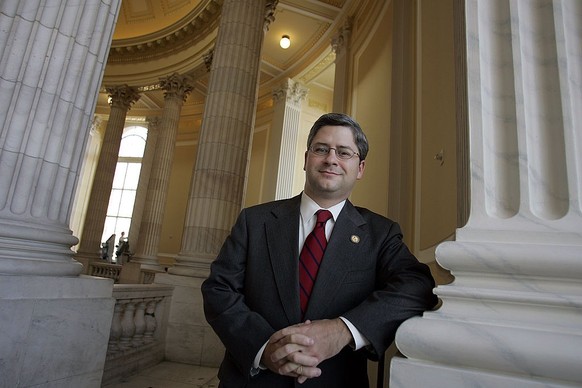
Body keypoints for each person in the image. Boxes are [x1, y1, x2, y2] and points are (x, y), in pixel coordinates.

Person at [201, 113, 438, 387]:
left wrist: (344, 330)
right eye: (321, 149)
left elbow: (417, 285)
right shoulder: (254, 221)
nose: (331, 159)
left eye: (344, 152)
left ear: (360, 168)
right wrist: (264, 348)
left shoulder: (380, 233)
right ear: (306, 159)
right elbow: (218, 289)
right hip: (253, 380)